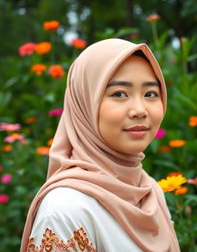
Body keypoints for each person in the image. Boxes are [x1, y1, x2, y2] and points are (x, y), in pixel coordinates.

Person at [20, 38, 180, 252]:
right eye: (119, 94)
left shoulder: (149, 192)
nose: (140, 110)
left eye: (150, 94)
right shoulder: (67, 209)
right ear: (85, 102)